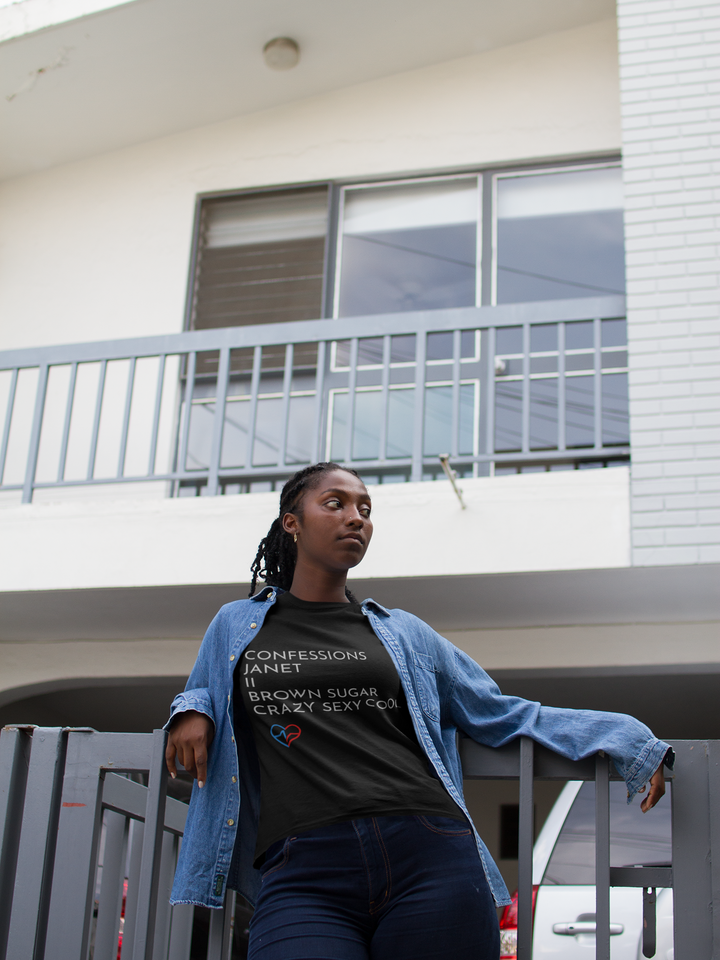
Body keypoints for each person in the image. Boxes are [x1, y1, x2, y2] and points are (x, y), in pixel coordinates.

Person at [166, 461, 671, 960]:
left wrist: (624, 737)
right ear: (291, 523)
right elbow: (206, 688)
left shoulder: (403, 633)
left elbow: (498, 711)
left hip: (428, 853)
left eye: (366, 508)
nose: (356, 518)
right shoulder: (237, 624)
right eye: (336, 504)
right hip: (302, 869)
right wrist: (193, 709)